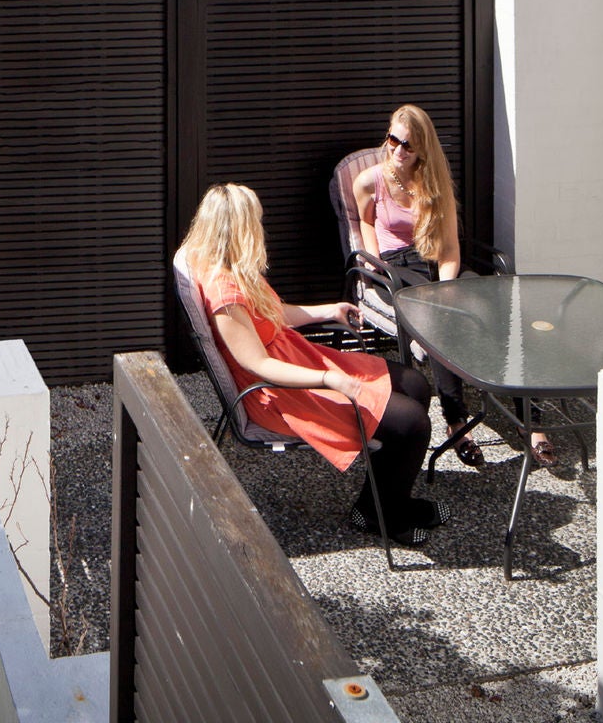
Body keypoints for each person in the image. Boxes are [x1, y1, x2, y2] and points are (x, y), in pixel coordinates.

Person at [179, 182, 441, 545]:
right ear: (238, 228)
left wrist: (329, 310)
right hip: (279, 392)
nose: (260, 226)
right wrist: (328, 380)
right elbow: (257, 364)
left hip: (297, 360)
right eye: (255, 220)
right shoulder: (225, 294)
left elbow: (274, 314)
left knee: (415, 384)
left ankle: (376, 505)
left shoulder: (232, 267)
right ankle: (389, 518)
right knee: (412, 423)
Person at [350, 104, 555, 466]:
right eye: (393, 140)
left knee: (501, 306)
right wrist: (377, 263)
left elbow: (449, 251)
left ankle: (531, 419)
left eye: (408, 145)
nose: (398, 150)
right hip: (397, 268)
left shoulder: (435, 183)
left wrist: (446, 290)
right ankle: (456, 422)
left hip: (438, 263)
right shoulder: (369, 181)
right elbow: (367, 227)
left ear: (423, 149)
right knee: (439, 324)